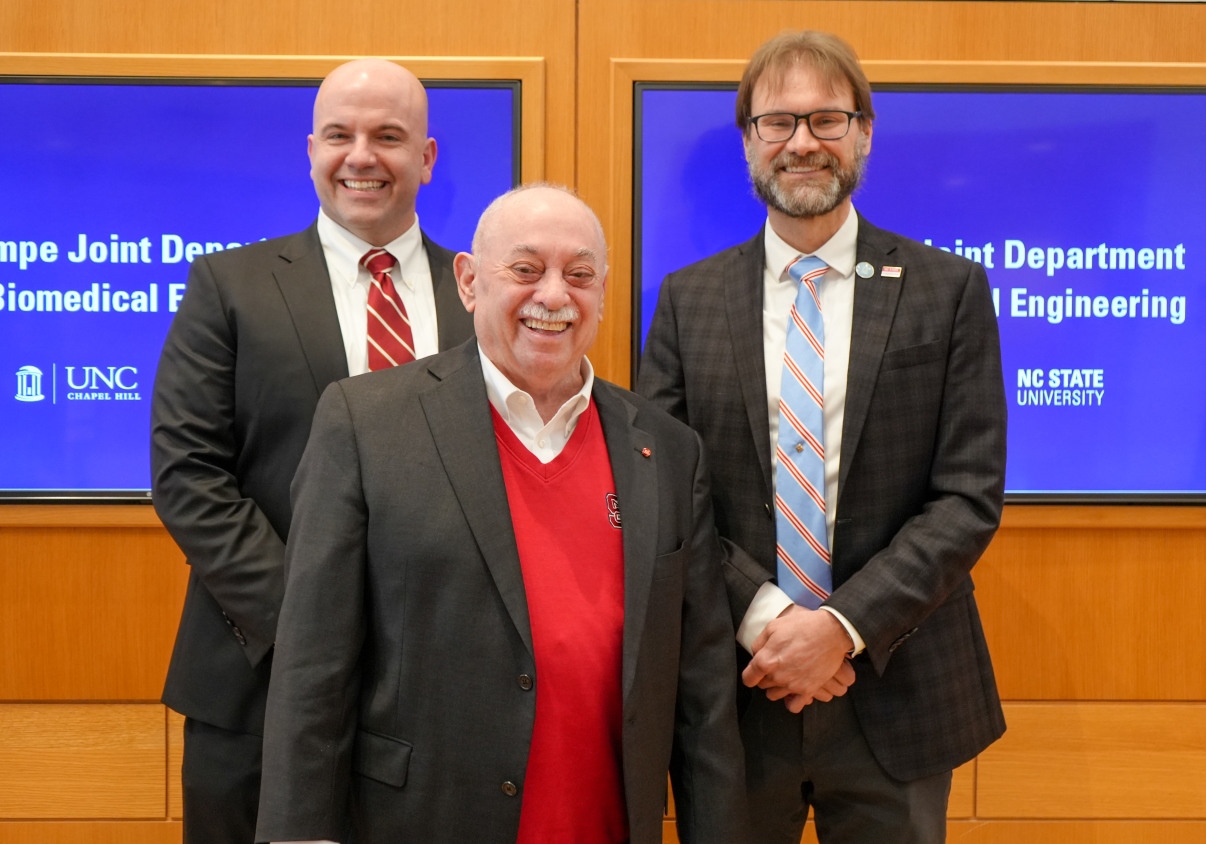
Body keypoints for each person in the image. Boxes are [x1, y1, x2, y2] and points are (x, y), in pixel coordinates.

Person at [255, 184, 748, 844]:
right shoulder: (365, 424)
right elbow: (312, 670)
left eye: (580, 275)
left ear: (603, 293)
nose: (554, 295)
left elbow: (703, 692)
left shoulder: (667, 450)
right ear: (468, 281)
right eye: (525, 269)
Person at [637, 30, 1008, 844]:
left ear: (864, 133)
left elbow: (968, 497)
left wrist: (838, 629)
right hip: (740, 685)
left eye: (827, 119)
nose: (802, 142)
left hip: (900, 686)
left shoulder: (948, 291)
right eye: (778, 122)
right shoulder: (686, 300)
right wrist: (771, 620)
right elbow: (663, 495)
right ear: (749, 142)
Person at [150, 58, 474, 844]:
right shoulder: (229, 286)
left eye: (388, 136)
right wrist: (312, 623)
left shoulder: (482, 295)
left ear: (426, 157)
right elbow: (189, 475)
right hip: (256, 685)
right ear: (311, 151)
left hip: (442, 691)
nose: (361, 156)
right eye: (339, 135)